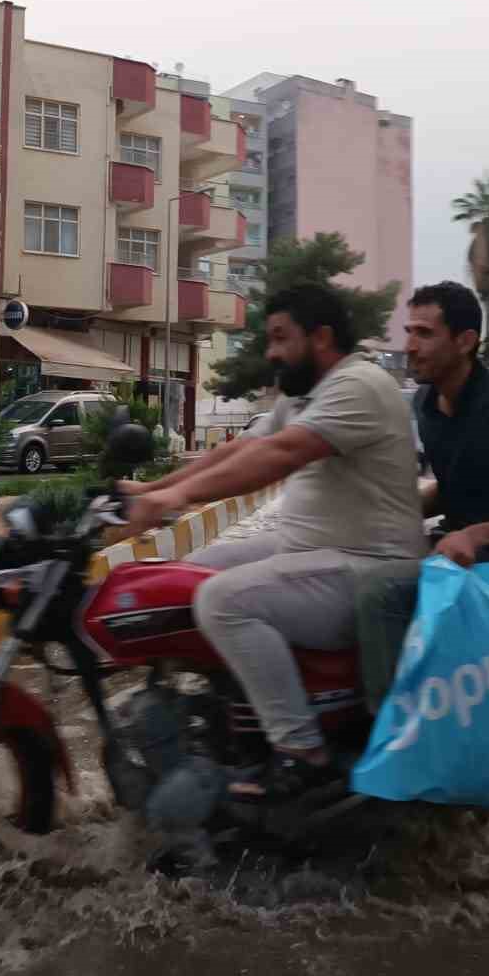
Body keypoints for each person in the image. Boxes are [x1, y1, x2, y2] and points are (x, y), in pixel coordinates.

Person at [125, 283, 423, 800]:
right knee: (183, 575)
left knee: (222, 600)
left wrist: (178, 499)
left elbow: (281, 454)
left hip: (368, 565)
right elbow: (246, 446)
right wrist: (154, 489)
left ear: (322, 337)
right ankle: (229, 710)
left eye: (281, 338)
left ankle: (303, 752)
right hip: (307, 548)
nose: (271, 352)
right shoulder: (305, 391)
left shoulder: (360, 385)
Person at [356, 280, 489, 711]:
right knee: (354, 563)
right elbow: (456, 485)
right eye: (409, 331)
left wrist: (475, 536)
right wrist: (398, 511)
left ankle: (394, 734)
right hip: (452, 546)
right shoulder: (426, 403)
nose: (410, 346)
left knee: (377, 591)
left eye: (424, 333)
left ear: (465, 341)